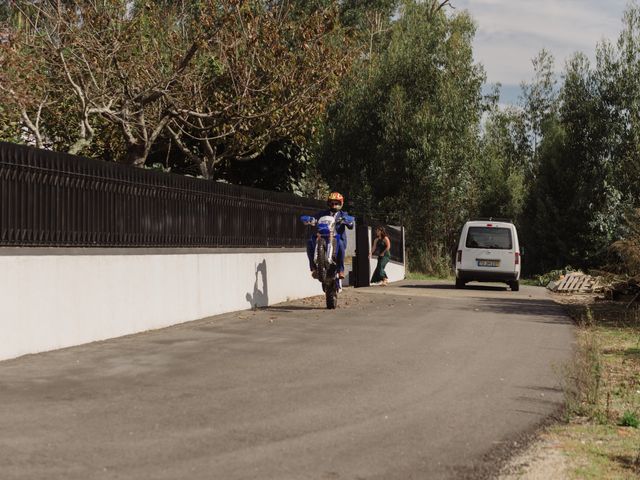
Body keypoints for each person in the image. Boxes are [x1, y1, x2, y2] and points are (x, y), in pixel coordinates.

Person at [305, 192, 354, 279]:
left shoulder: (343, 214)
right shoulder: (323, 213)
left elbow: (350, 225)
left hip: (337, 238)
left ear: (341, 204)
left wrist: (348, 221)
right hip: (323, 236)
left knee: (341, 245)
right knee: (309, 242)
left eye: (336, 203)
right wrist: (309, 219)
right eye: (332, 203)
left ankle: (341, 270)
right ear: (329, 203)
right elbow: (314, 218)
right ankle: (314, 268)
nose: (334, 205)